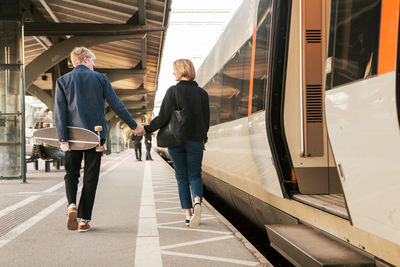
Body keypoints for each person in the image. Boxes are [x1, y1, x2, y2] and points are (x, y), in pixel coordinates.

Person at [54, 47, 144, 232]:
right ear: (86, 59)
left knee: (71, 174)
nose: (94, 65)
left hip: (72, 136)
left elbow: (59, 113)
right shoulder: (100, 79)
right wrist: (135, 126)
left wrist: (63, 138)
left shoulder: (62, 81)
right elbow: (116, 105)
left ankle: (71, 204)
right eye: (93, 61)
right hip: (94, 136)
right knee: (91, 176)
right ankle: (83, 220)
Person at [144, 59, 209, 228]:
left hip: (175, 141)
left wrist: (146, 129)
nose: (173, 73)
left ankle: (188, 215)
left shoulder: (172, 92)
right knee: (195, 174)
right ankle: (197, 201)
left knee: (181, 177)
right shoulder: (202, 93)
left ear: (181, 70)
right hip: (195, 141)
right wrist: (202, 137)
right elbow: (206, 121)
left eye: (174, 70)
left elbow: (163, 117)